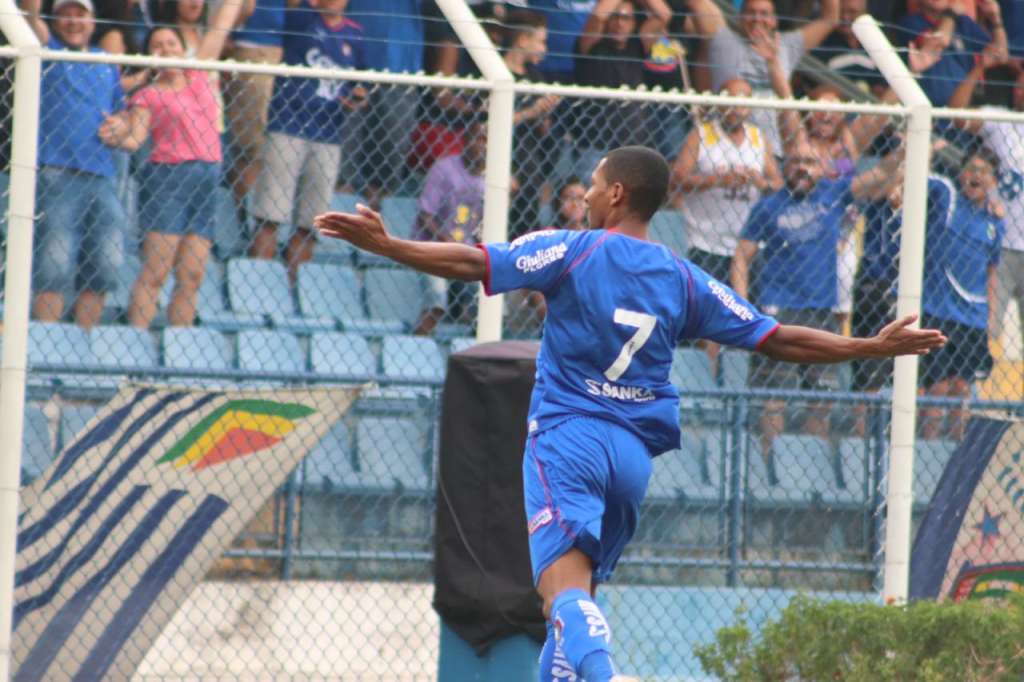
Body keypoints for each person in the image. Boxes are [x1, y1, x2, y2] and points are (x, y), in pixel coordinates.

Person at [313, 145, 945, 682]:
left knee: (561, 592)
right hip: (632, 459)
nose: (587, 195)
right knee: (569, 609)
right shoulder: (684, 278)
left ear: (616, 194)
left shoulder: (574, 250)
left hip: (568, 438)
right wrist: (868, 347)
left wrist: (390, 245)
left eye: (593, 185)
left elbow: (475, 261)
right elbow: (776, 337)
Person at [731, 140, 902, 454]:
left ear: (823, 168)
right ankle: (769, 465)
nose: (801, 168)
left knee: (822, 399)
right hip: (779, 312)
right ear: (785, 166)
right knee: (774, 398)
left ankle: (813, 471)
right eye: (795, 161)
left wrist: (907, 147)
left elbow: (879, 173)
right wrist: (742, 308)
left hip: (822, 312)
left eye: (809, 162)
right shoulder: (768, 206)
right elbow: (742, 256)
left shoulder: (834, 194)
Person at [98, 0, 247, 328]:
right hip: (169, 180)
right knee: (156, 271)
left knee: (192, 275)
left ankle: (182, 339)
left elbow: (221, 25)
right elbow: (135, 139)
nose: (165, 50)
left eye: (171, 44)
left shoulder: (200, 74)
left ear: (182, 49)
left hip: (206, 180)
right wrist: (115, 133)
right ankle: (136, 339)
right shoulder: (148, 95)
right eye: (157, 46)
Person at [247, 0, 369, 283]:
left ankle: (295, 288)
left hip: (329, 133)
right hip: (288, 125)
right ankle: (257, 284)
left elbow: (361, 82)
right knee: (270, 216)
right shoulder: (303, 17)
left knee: (311, 222)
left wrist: (358, 97)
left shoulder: (356, 33)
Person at [23, 0, 127, 330]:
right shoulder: (48, 52)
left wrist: (122, 126)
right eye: (65, 15)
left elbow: (122, 113)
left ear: (93, 21)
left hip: (103, 176)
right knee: (54, 265)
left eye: (80, 15)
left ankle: (84, 342)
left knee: (106, 264)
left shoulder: (105, 62)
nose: (72, 22)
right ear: (55, 20)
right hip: (58, 173)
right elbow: (31, 18)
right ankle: (46, 340)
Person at [673, 77, 782, 368]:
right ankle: (708, 376)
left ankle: (739, 375)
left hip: (746, 245)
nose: (736, 109)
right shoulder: (702, 134)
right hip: (705, 240)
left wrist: (759, 181)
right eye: (730, 101)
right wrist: (717, 180)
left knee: (745, 318)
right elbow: (678, 178)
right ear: (719, 103)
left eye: (742, 102)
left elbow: (777, 185)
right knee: (708, 319)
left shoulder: (758, 138)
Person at [947, 48, 1024, 390]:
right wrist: (978, 68)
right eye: (1019, 85)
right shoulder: (1000, 120)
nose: (1020, 91)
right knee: (986, 329)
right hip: (1000, 245)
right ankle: (976, 399)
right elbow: (956, 115)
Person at [918, 150, 1005, 440]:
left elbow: (991, 271)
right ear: (960, 173)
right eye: (970, 168)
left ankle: (956, 449)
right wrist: (933, 148)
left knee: (962, 388)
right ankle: (927, 446)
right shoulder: (948, 198)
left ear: (993, 181)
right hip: (939, 310)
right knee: (938, 387)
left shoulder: (994, 222)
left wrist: (991, 317)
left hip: (973, 319)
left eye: (983, 171)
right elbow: (919, 176)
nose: (975, 175)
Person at [685, 0, 839, 152]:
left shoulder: (787, 45)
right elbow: (698, 3)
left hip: (774, 150)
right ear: (740, 18)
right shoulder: (724, 41)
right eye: (751, 13)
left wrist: (773, 61)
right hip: (724, 149)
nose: (757, 19)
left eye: (764, 13)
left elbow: (830, 18)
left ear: (774, 20)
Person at [571, 0, 671, 180]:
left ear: (634, 23)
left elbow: (664, 14)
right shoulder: (591, 45)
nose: (619, 23)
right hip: (595, 145)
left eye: (626, 18)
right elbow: (598, 15)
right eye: (614, 17)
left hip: (632, 146)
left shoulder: (637, 46)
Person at [412, 121, 488, 335]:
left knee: (490, 299)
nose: (482, 145)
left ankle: (478, 348)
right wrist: (448, 241)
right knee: (437, 301)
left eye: (487, 141)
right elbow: (425, 216)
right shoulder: (444, 169)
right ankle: (416, 344)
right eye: (478, 138)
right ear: (465, 141)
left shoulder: (492, 179)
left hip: (466, 248)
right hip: (432, 247)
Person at [224, 0, 287, 234]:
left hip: (284, 50)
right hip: (253, 49)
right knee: (251, 146)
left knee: (273, 146)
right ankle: (246, 222)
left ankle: (259, 222)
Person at [893, 0, 1007, 107]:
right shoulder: (910, 22)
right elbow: (940, 42)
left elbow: (1001, 56)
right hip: (931, 109)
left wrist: (995, 19)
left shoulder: (963, 22)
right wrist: (951, 14)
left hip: (963, 109)